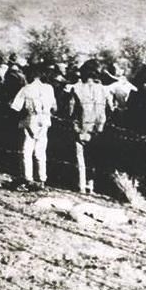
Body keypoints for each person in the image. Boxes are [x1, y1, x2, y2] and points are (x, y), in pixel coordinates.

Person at [10, 63, 57, 191]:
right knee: (41, 152)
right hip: (45, 120)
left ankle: (28, 179)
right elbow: (54, 107)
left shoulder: (26, 89)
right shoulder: (49, 88)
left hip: (30, 120)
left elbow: (15, 107)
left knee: (26, 151)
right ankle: (42, 179)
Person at [68, 59, 111, 193]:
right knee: (92, 157)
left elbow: (70, 110)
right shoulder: (103, 90)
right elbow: (110, 109)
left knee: (80, 158)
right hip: (98, 127)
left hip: (81, 125)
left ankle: (80, 185)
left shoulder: (76, 88)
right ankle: (90, 186)